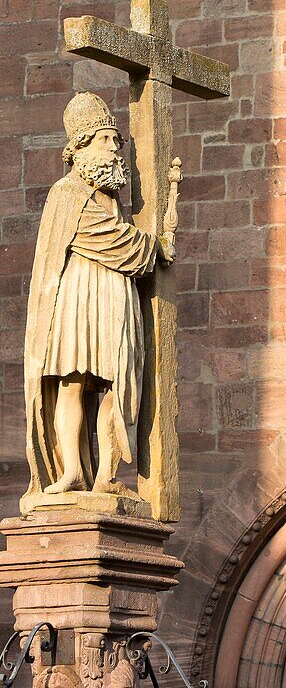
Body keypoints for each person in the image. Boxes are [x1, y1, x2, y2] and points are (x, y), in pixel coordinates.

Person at [23, 92, 174, 502]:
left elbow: (124, 243)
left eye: (115, 141)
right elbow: (106, 239)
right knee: (71, 382)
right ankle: (71, 471)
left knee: (116, 385)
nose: (114, 148)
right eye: (106, 140)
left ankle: (106, 474)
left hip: (115, 294)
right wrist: (150, 246)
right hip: (76, 297)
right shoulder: (65, 193)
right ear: (81, 147)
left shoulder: (116, 201)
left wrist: (145, 246)